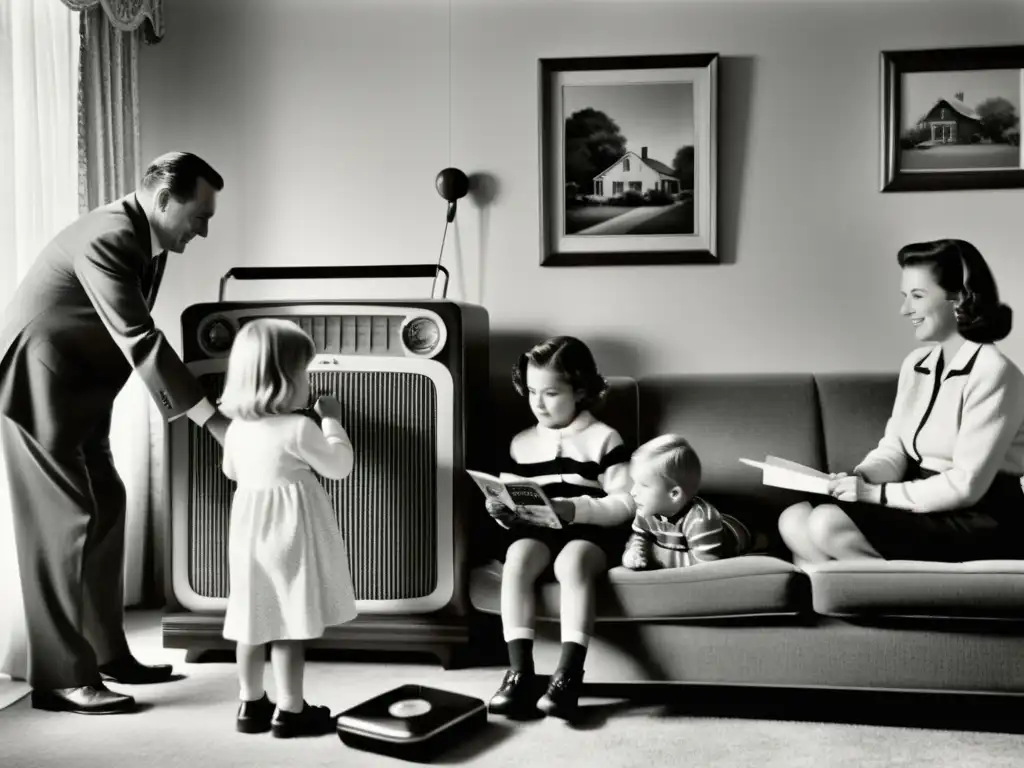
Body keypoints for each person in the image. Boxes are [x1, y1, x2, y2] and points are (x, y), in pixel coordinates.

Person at [0, 151, 232, 715]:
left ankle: (107, 654)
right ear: (162, 200)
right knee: (64, 524)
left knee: (108, 502)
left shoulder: (149, 242)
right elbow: (140, 337)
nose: (202, 230)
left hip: (82, 392)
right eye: (198, 216)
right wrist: (215, 422)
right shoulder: (109, 234)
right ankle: (58, 679)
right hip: (38, 389)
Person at [778, 239, 1024, 565]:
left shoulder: (995, 371)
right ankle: (865, 599)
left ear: (960, 299)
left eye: (918, 296)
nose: (905, 309)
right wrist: (860, 477)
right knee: (794, 519)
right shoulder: (917, 364)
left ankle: (893, 599)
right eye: (904, 296)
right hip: (921, 499)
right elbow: (894, 448)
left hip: (981, 516)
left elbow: (965, 486)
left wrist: (871, 495)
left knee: (826, 524)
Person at [218, 318, 357, 738]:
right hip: (289, 537)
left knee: (250, 621)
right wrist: (332, 421)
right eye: (304, 372)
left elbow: (231, 471)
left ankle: (249, 702)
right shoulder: (300, 427)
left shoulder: (238, 429)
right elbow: (339, 467)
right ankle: (291, 710)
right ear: (285, 378)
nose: (308, 381)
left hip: (247, 539)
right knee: (287, 625)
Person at [485, 336, 633, 721]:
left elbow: (626, 502)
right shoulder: (521, 444)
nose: (537, 403)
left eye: (550, 393)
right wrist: (501, 510)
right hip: (537, 531)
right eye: (532, 391)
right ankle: (519, 673)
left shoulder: (604, 438)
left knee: (573, 560)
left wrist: (574, 509)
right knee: (518, 555)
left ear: (580, 391)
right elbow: (511, 498)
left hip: (590, 532)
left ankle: (568, 677)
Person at [622, 434, 751, 570]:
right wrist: (635, 552)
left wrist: (654, 552)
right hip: (684, 540)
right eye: (634, 482)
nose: (633, 491)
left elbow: (702, 570)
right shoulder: (646, 510)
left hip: (734, 533)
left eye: (644, 485)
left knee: (751, 539)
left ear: (674, 494)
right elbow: (640, 536)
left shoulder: (700, 520)